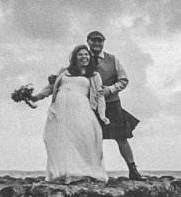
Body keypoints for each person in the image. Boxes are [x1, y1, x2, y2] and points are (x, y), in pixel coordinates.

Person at [31, 44, 108, 182]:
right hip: (60, 109)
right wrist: (36, 97)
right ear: (74, 57)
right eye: (80, 54)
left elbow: (100, 96)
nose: (84, 57)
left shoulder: (94, 75)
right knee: (61, 139)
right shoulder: (64, 71)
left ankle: (83, 171)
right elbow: (51, 88)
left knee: (82, 138)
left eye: (86, 54)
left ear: (90, 57)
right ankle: (63, 171)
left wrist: (102, 114)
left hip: (81, 108)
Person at [85, 30, 142, 180]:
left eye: (100, 41)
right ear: (88, 42)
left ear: (103, 42)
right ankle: (95, 172)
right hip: (90, 106)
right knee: (94, 139)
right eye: (93, 41)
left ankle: (133, 170)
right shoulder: (82, 58)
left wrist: (110, 89)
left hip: (112, 103)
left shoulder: (113, 59)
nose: (97, 43)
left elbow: (124, 80)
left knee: (122, 137)